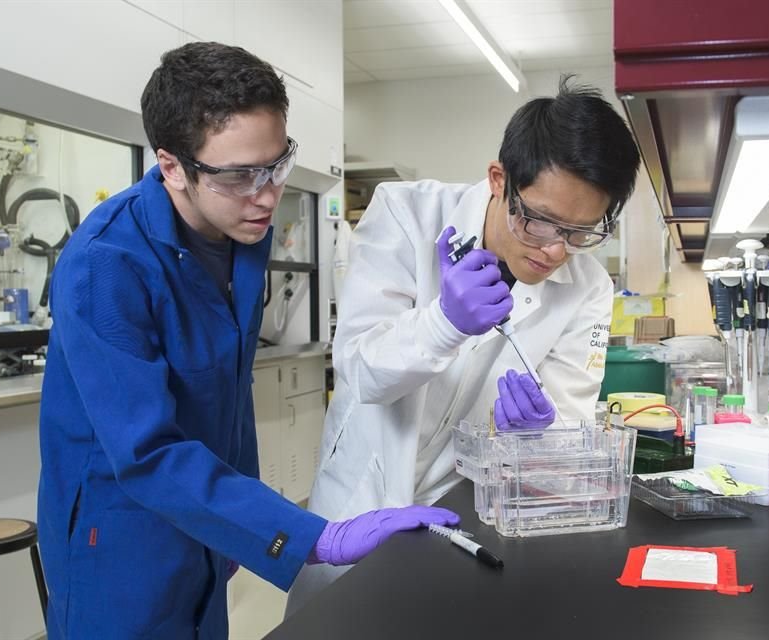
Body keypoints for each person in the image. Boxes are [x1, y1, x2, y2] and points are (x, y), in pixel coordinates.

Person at [36, 42, 458, 639]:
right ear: (172, 166)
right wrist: (312, 536)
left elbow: (225, 395)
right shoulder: (106, 265)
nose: (266, 194)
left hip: (207, 515)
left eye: (277, 164)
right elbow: (146, 452)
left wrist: (242, 519)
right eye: (239, 175)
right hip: (122, 536)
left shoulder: (239, 230)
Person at [286, 77, 641, 614]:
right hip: (365, 490)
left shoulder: (588, 287)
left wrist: (539, 438)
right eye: (541, 221)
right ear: (500, 179)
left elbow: (570, 425)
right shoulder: (407, 214)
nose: (555, 251)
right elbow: (361, 374)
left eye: (580, 231)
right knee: (338, 620)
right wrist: (444, 324)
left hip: (465, 506)